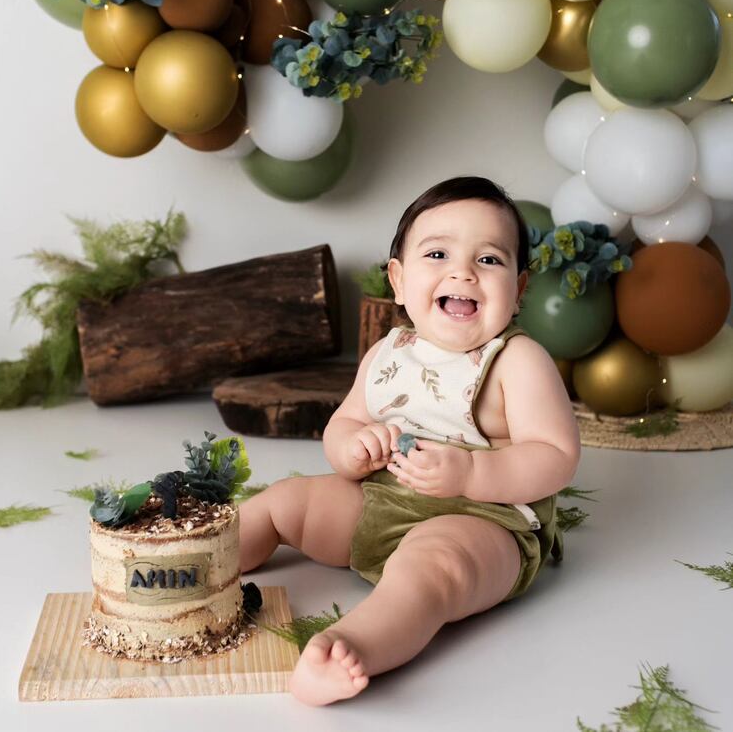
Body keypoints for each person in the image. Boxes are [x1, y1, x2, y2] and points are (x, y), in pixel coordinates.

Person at [239, 176, 581, 706]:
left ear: (519, 289)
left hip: (483, 522)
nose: (462, 271)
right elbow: (344, 425)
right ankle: (201, 560)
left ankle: (349, 645)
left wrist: (471, 475)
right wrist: (355, 450)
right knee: (288, 500)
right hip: (381, 500)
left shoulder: (517, 360)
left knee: (429, 571)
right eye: (438, 253)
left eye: (489, 260)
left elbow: (556, 456)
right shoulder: (388, 352)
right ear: (398, 280)